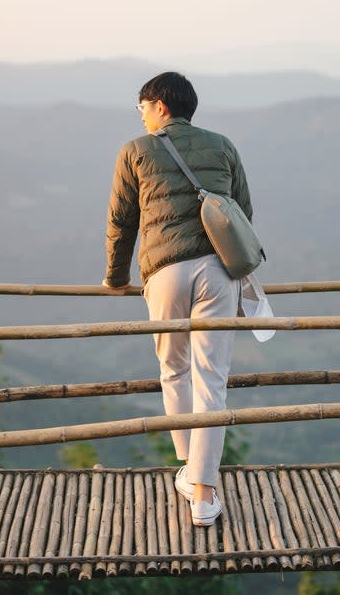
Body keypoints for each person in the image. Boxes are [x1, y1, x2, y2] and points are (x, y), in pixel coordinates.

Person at [102, 71, 254, 526]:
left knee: (174, 370)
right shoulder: (223, 145)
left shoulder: (135, 150)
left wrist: (114, 278)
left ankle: (187, 469)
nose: (142, 114)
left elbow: (121, 221)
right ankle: (204, 495)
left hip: (164, 273)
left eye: (143, 106)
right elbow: (241, 213)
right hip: (218, 272)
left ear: (161, 106)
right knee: (212, 380)